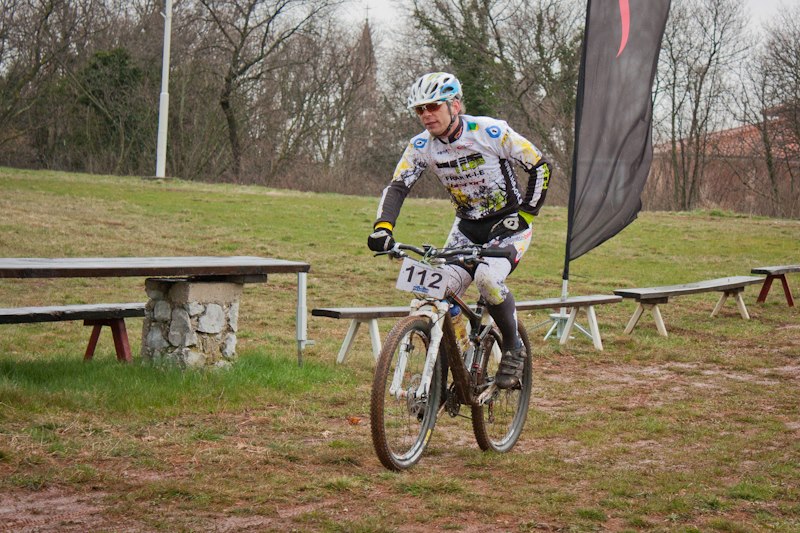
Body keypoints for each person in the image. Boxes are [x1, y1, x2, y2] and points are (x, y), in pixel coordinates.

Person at [368, 72, 551, 389]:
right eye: (420, 110)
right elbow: (397, 186)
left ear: (454, 105)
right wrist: (383, 228)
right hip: (466, 229)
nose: (426, 115)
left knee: (487, 279)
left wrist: (525, 215)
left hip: (507, 227)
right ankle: (460, 355)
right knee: (429, 288)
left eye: (433, 106)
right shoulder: (421, 146)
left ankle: (513, 347)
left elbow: (540, 166)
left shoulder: (489, 131)